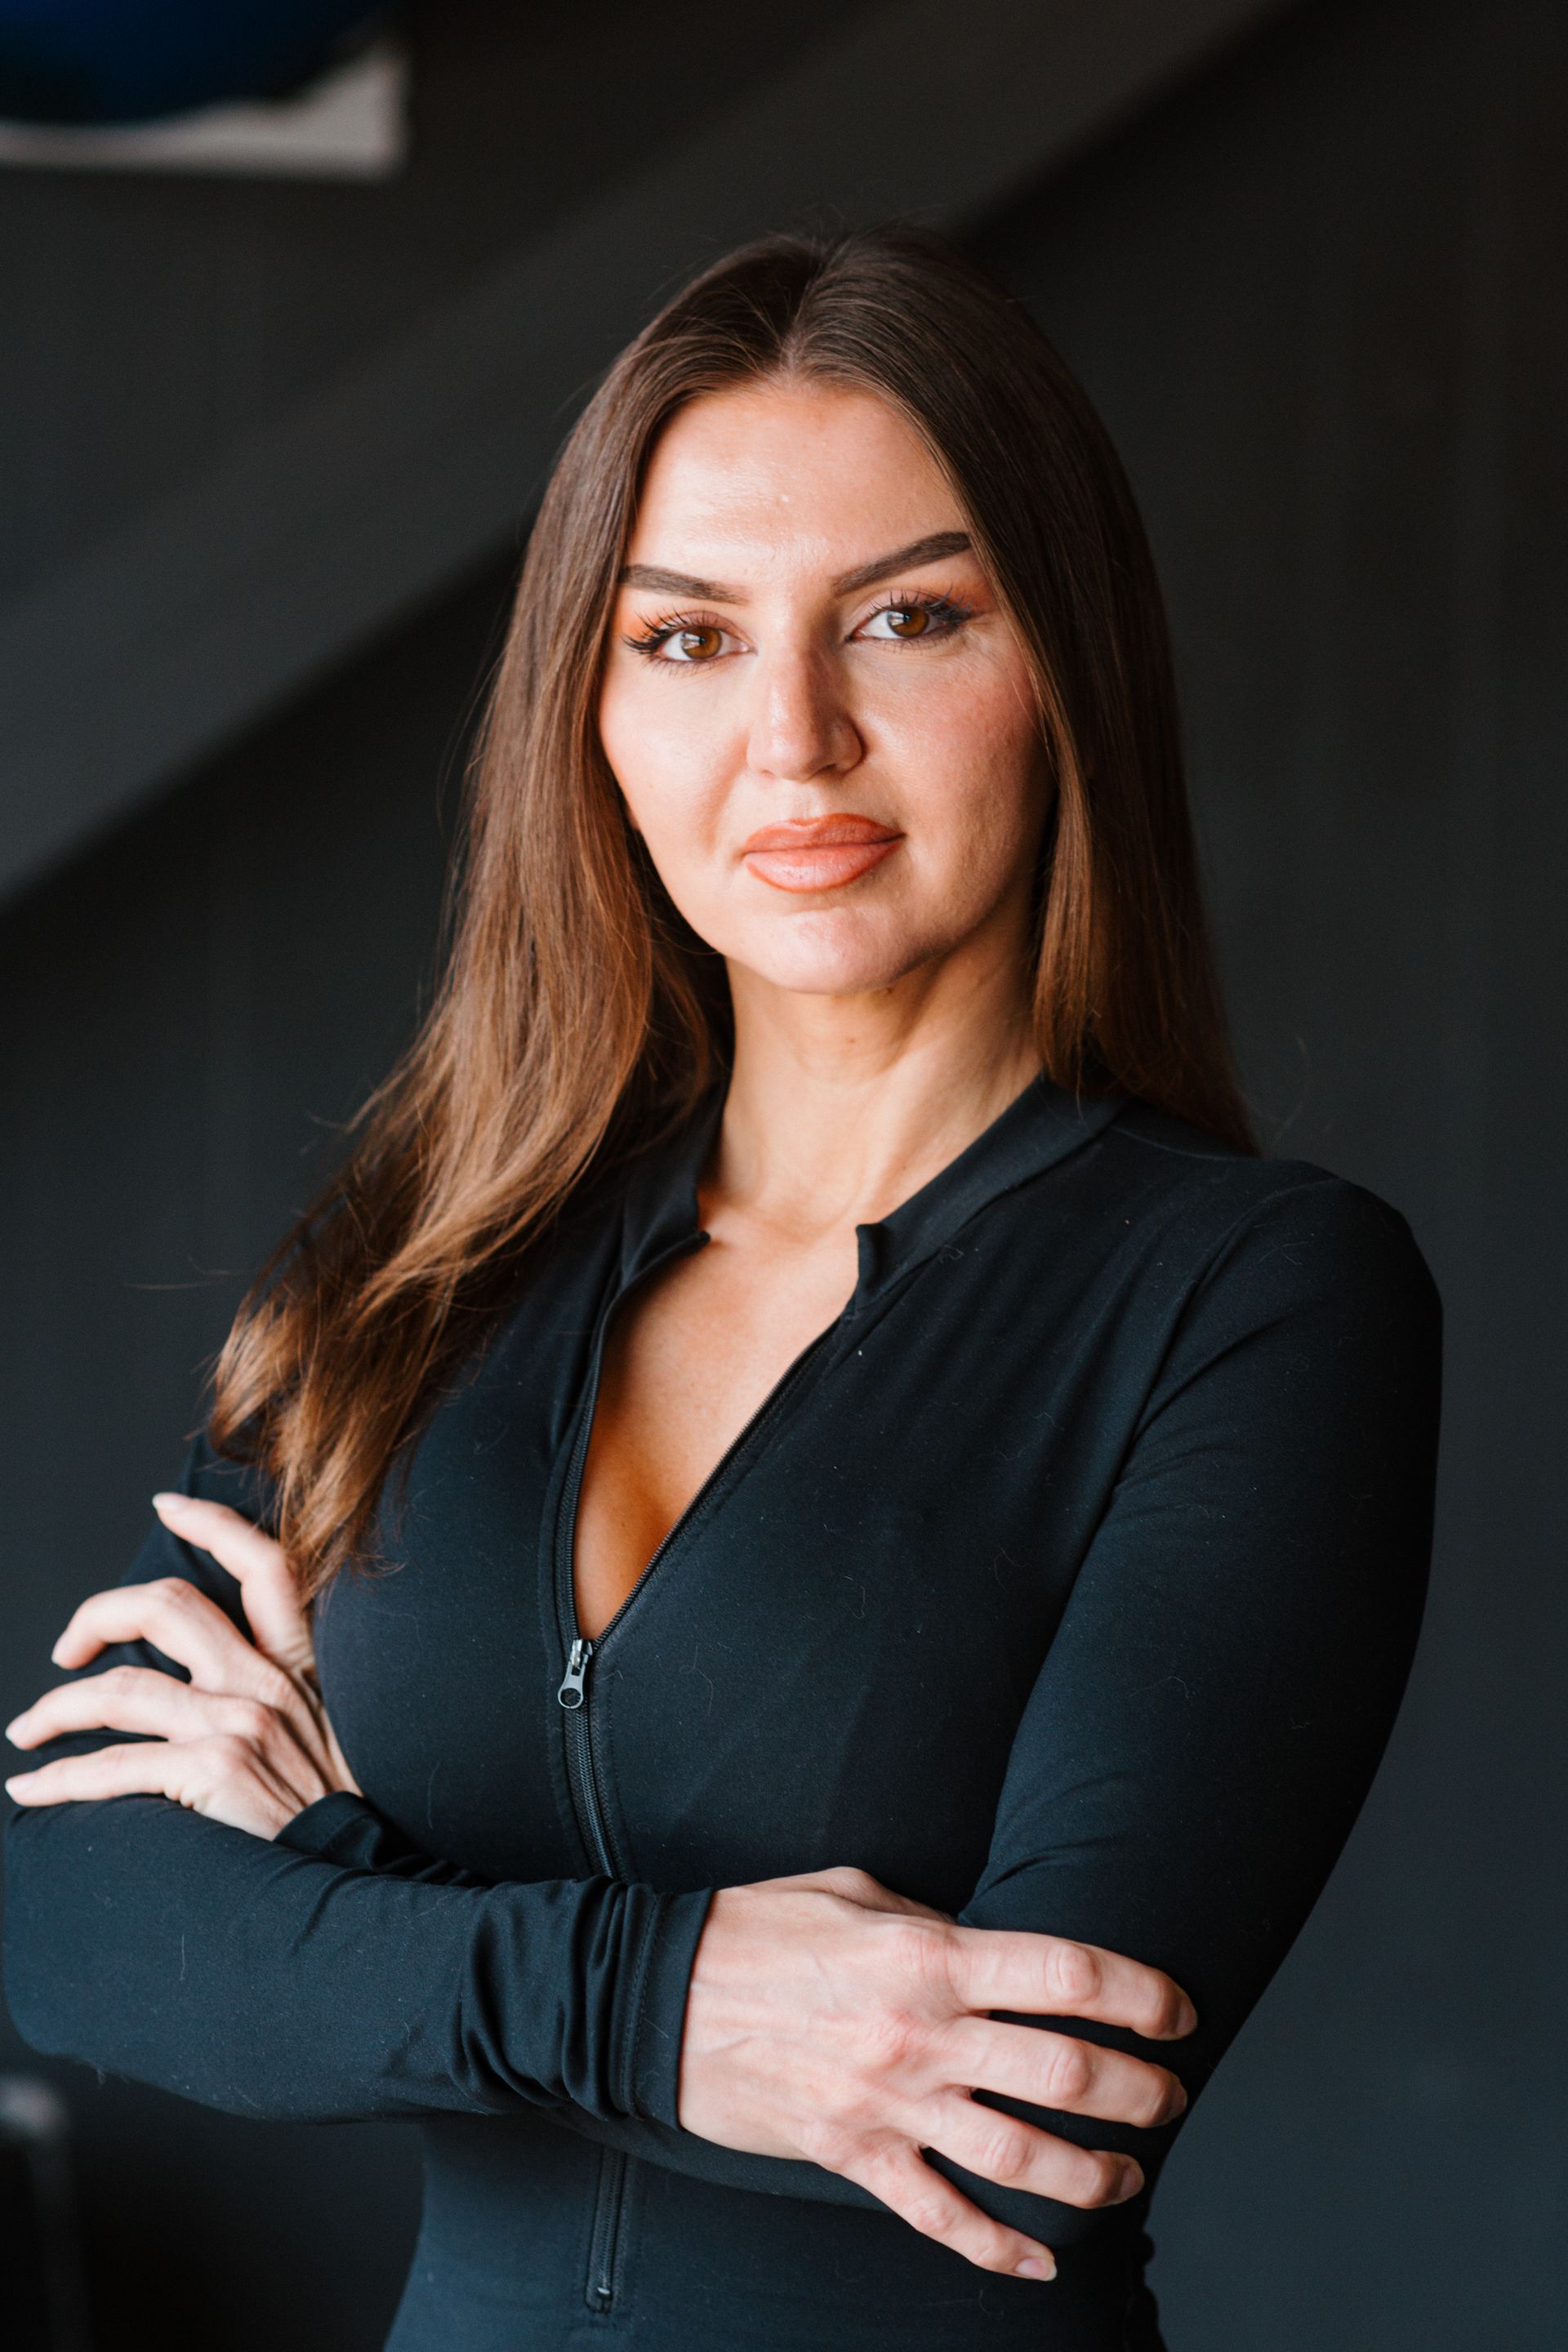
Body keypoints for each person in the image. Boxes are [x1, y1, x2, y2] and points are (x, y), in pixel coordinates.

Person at [2, 229, 1441, 2351]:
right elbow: (72, 1912)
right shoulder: (424, 1272)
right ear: (586, 705)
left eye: (912, 616)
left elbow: (1008, 2126)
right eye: (684, 637)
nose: (797, 735)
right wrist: (671, 2006)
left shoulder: (1258, 1299)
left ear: (1068, 667)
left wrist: (327, 1863)